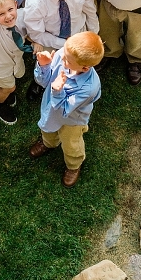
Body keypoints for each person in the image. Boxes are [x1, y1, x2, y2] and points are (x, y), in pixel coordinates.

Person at [28, 30, 104, 187]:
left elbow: (64, 110)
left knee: (71, 144)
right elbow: (44, 81)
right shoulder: (66, 53)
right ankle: (48, 143)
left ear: (84, 68)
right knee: (48, 130)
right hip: (51, 109)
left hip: (72, 120)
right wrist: (44, 66)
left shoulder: (89, 88)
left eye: (67, 60)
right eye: (64, 51)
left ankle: (73, 165)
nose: (61, 58)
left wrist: (57, 90)